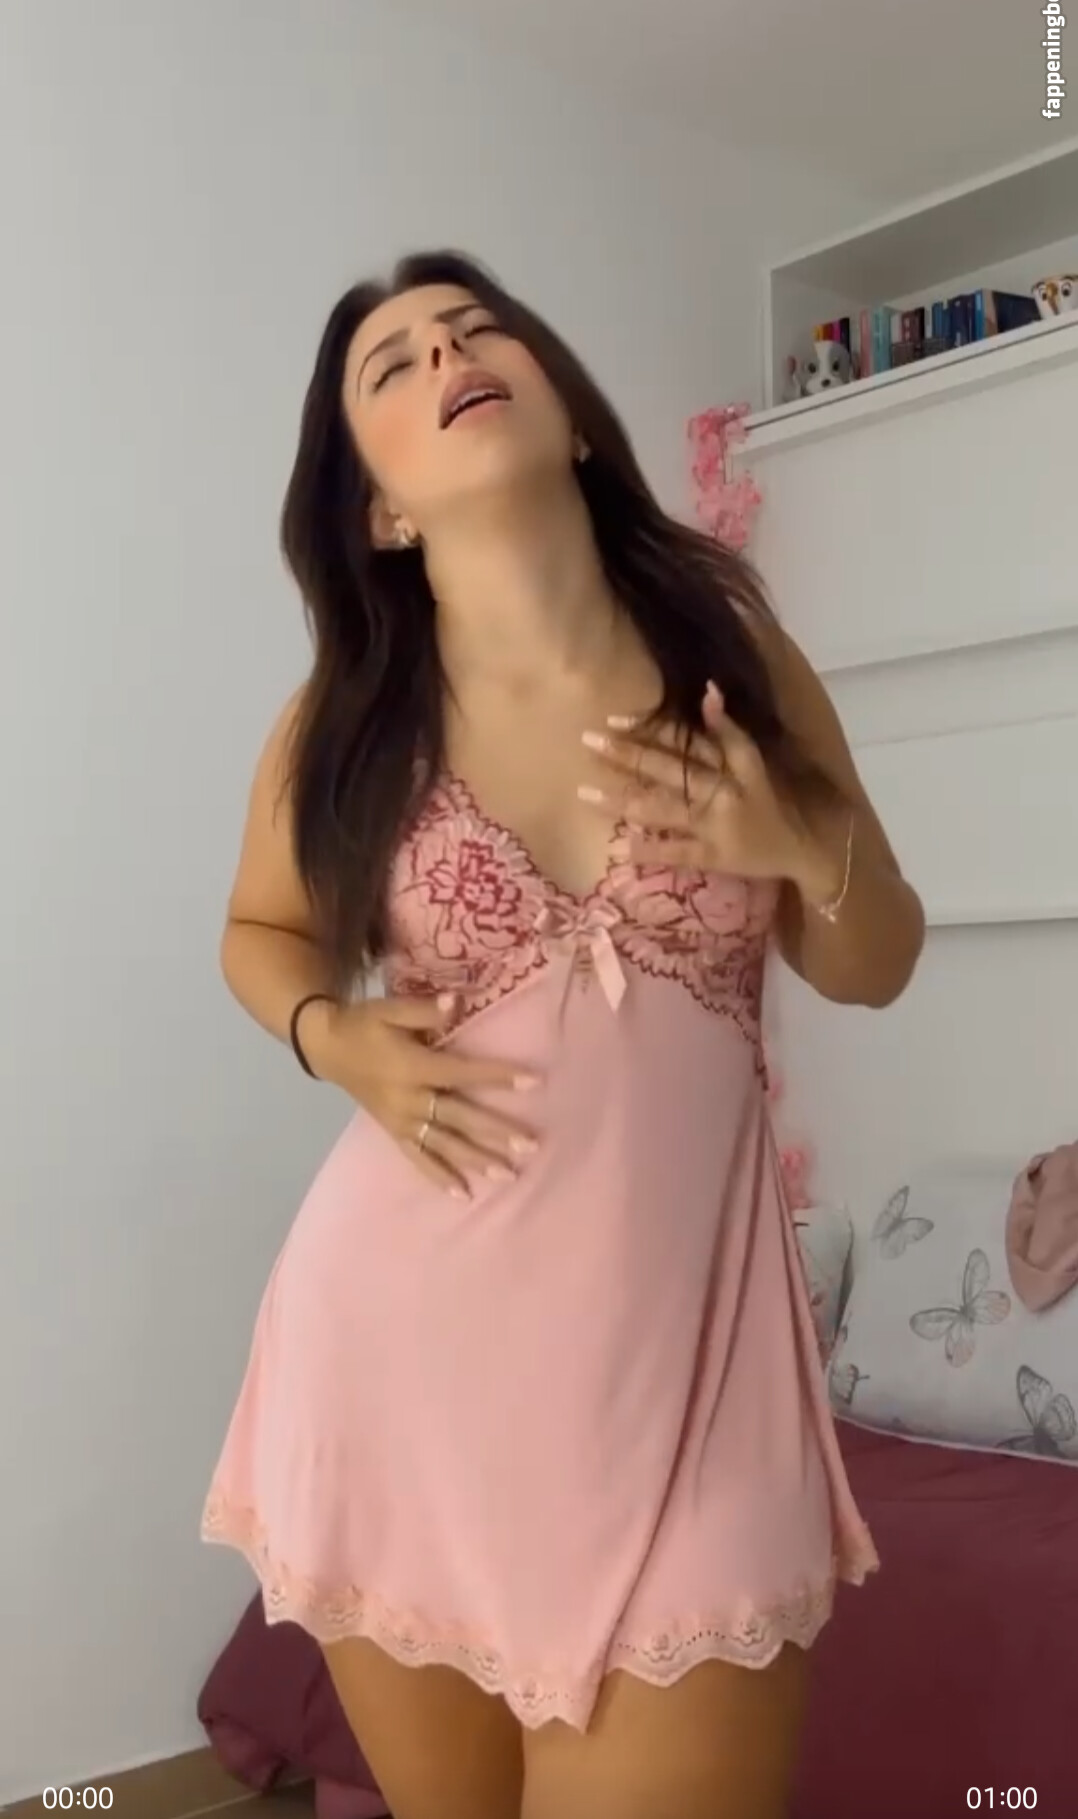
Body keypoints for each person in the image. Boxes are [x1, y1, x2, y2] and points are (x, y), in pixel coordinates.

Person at [202, 250, 924, 1819]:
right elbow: (256, 934)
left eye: (476, 330)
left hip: (691, 1383)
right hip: (395, 1366)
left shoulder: (728, 653)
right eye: (393, 363)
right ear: (378, 509)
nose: (446, 355)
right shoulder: (347, 717)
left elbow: (877, 960)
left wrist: (797, 850)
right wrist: (334, 1035)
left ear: (572, 414)